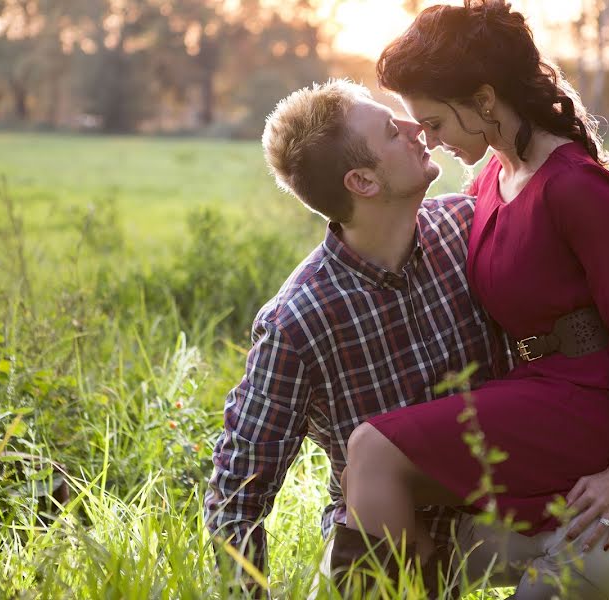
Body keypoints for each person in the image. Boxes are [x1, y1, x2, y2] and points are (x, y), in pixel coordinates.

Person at [340, 1, 609, 598]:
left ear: (485, 99)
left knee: (373, 448)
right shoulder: (492, 178)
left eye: (438, 124)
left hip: (582, 407)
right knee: (382, 465)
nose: (434, 142)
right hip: (529, 391)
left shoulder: (574, 185)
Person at [205, 78, 522, 597]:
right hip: (377, 547)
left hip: (493, 511)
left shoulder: (468, 229)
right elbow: (238, 494)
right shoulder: (298, 321)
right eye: (392, 132)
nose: (415, 128)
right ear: (363, 182)